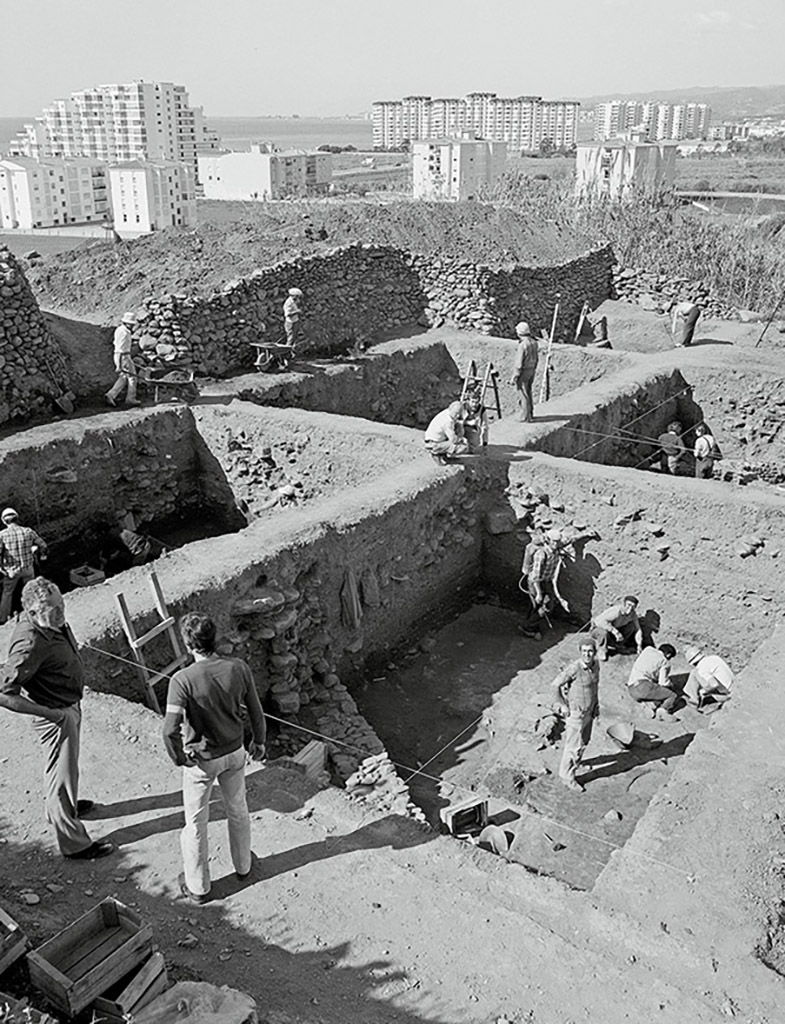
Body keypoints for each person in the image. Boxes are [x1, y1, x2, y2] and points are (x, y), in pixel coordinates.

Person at [0, 578, 113, 859]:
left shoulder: (50, 623)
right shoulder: (29, 643)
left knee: (66, 768)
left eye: (61, 603)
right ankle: (75, 844)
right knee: (60, 775)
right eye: (54, 608)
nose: (62, 611)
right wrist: (51, 715)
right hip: (55, 714)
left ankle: (64, 808)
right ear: (33, 612)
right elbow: (4, 693)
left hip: (66, 706)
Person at [163, 612, 267, 905]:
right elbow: (256, 711)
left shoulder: (182, 680)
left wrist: (179, 758)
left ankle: (198, 887)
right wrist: (259, 741)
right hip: (234, 752)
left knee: (196, 822)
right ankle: (244, 866)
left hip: (202, 759)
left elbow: (169, 730)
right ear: (214, 638)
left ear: (188, 645)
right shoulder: (238, 668)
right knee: (238, 808)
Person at [552, 638, 601, 793]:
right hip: (576, 713)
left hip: (589, 711)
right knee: (573, 746)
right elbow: (555, 685)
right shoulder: (574, 669)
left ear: (595, 652)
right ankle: (567, 777)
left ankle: (576, 763)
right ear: (580, 652)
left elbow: (595, 687)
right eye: (584, 651)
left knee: (584, 741)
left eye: (590, 651)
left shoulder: (596, 665)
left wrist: (596, 705)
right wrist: (562, 705)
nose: (587, 654)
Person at [0, 508, 48, 625]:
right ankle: (34, 613)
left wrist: (1, 567)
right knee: (30, 591)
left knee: (7, 593)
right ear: (17, 518)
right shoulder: (28, 531)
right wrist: (40, 555)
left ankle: (3, 619)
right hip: (28, 568)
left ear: (4, 521)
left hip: (11, 571)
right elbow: (43, 545)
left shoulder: (2, 535)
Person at [519, 528, 569, 640]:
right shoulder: (541, 554)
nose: (556, 544)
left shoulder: (557, 547)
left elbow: (570, 540)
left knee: (544, 606)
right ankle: (528, 627)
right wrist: (539, 593)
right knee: (541, 605)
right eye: (553, 541)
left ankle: (529, 625)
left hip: (546, 581)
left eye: (557, 541)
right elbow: (536, 576)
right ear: (548, 541)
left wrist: (585, 534)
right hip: (535, 583)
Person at [625, 643, 678, 718]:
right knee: (672, 695)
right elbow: (663, 683)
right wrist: (670, 684)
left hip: (631, 689)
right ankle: (662, 710)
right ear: (668, 655)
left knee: (658, 692)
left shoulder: (648, 649)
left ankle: (650, 705)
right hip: (643, 687)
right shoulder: (664, 661)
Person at [591, 596, 643, 661]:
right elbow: (599, 621)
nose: (630, 608)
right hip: (598, 629)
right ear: (624, 604)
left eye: (633, 606)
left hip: (613, 633)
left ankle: (618, 645)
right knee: (603, 632)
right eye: (628, 605)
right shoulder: (616, 611)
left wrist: (639, 644)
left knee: (632, 627)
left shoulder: (633, 615)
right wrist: (614, 631)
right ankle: (602, 650)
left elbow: (638, 629)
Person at [683, 644, 733, 711]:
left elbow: (714, 684)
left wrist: (704, 691)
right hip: (733, 688)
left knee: (694, 673)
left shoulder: (702, 668)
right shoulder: (714, 657)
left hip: (726, 695)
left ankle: (693, 702)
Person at [106, 312, 140, 407]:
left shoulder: (119, 329)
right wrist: (119, 365)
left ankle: (111, 395)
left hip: (119, 355)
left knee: (123, 377)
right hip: (123, 356)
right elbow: (121, 349)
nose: (133, 326)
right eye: (131, 324)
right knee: (132, 377)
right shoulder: (125, 333)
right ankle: (131, 398)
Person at [508, 322, 539, 423]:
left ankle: (524, 416)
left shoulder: (523, 345)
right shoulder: (534, 343)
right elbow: (537, 358)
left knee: (523, 393)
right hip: (532, 369)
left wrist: (515, 375)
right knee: (528, 391)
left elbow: (519, 363)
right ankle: (530, 414)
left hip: (524, 371)